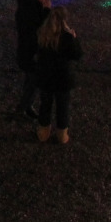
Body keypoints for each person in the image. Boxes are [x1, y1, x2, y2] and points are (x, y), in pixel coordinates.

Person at [34, 8, 82, 144]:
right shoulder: (67, 37)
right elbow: (77, 55)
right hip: (63, 78)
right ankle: (62, 135)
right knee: (63, 107)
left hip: (46, 77)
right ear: (64, 20)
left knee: (45, 105)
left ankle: (43, 132)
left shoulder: (42, 34)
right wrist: (74, 38)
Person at [14, 0, 51, 120]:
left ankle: (26, 106)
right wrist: (46, 10)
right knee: (33, 80)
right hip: (30, 50)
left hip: (27, 48)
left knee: (31, 80)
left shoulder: (28, 4)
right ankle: (22, 108)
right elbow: (39, 27)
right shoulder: (30, 8)